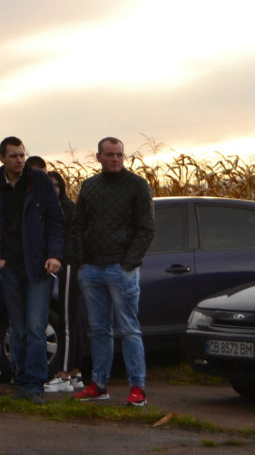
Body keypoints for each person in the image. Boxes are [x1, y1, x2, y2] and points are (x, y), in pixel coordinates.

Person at [0, 137, 64, 404]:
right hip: (10, 266)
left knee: (36, 327)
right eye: (14, 156)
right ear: (3, 158)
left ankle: (35, 384)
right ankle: (22, 380)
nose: (19, 160)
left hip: (38, 266)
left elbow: (55, 219)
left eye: (22, 155)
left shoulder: (39, 182)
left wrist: (54, 254)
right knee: (17, 329)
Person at [72, 137, 155, 407]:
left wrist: (129, 263)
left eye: (120, 154)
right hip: (92, 269)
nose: (116, 159)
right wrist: (83, 260)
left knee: (129, 330)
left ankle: (137, 389)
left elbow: (146, 228)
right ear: (99, 157)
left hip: (121, 269)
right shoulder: (89, 186)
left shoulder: (137, 185)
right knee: (99, 330)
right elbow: (78, 225)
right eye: (110, 155)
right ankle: (99, 385)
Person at [43, 170, 84, 393]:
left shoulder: (66, 208)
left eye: (57, 185)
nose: (54, 189)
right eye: (49, 185)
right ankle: (76, 372)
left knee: (68, 320)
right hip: (65, 265)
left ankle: (65, 374)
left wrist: (74, 260)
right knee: (71, 319)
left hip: (69, 264)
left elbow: (75, 237)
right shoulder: (50, 208)